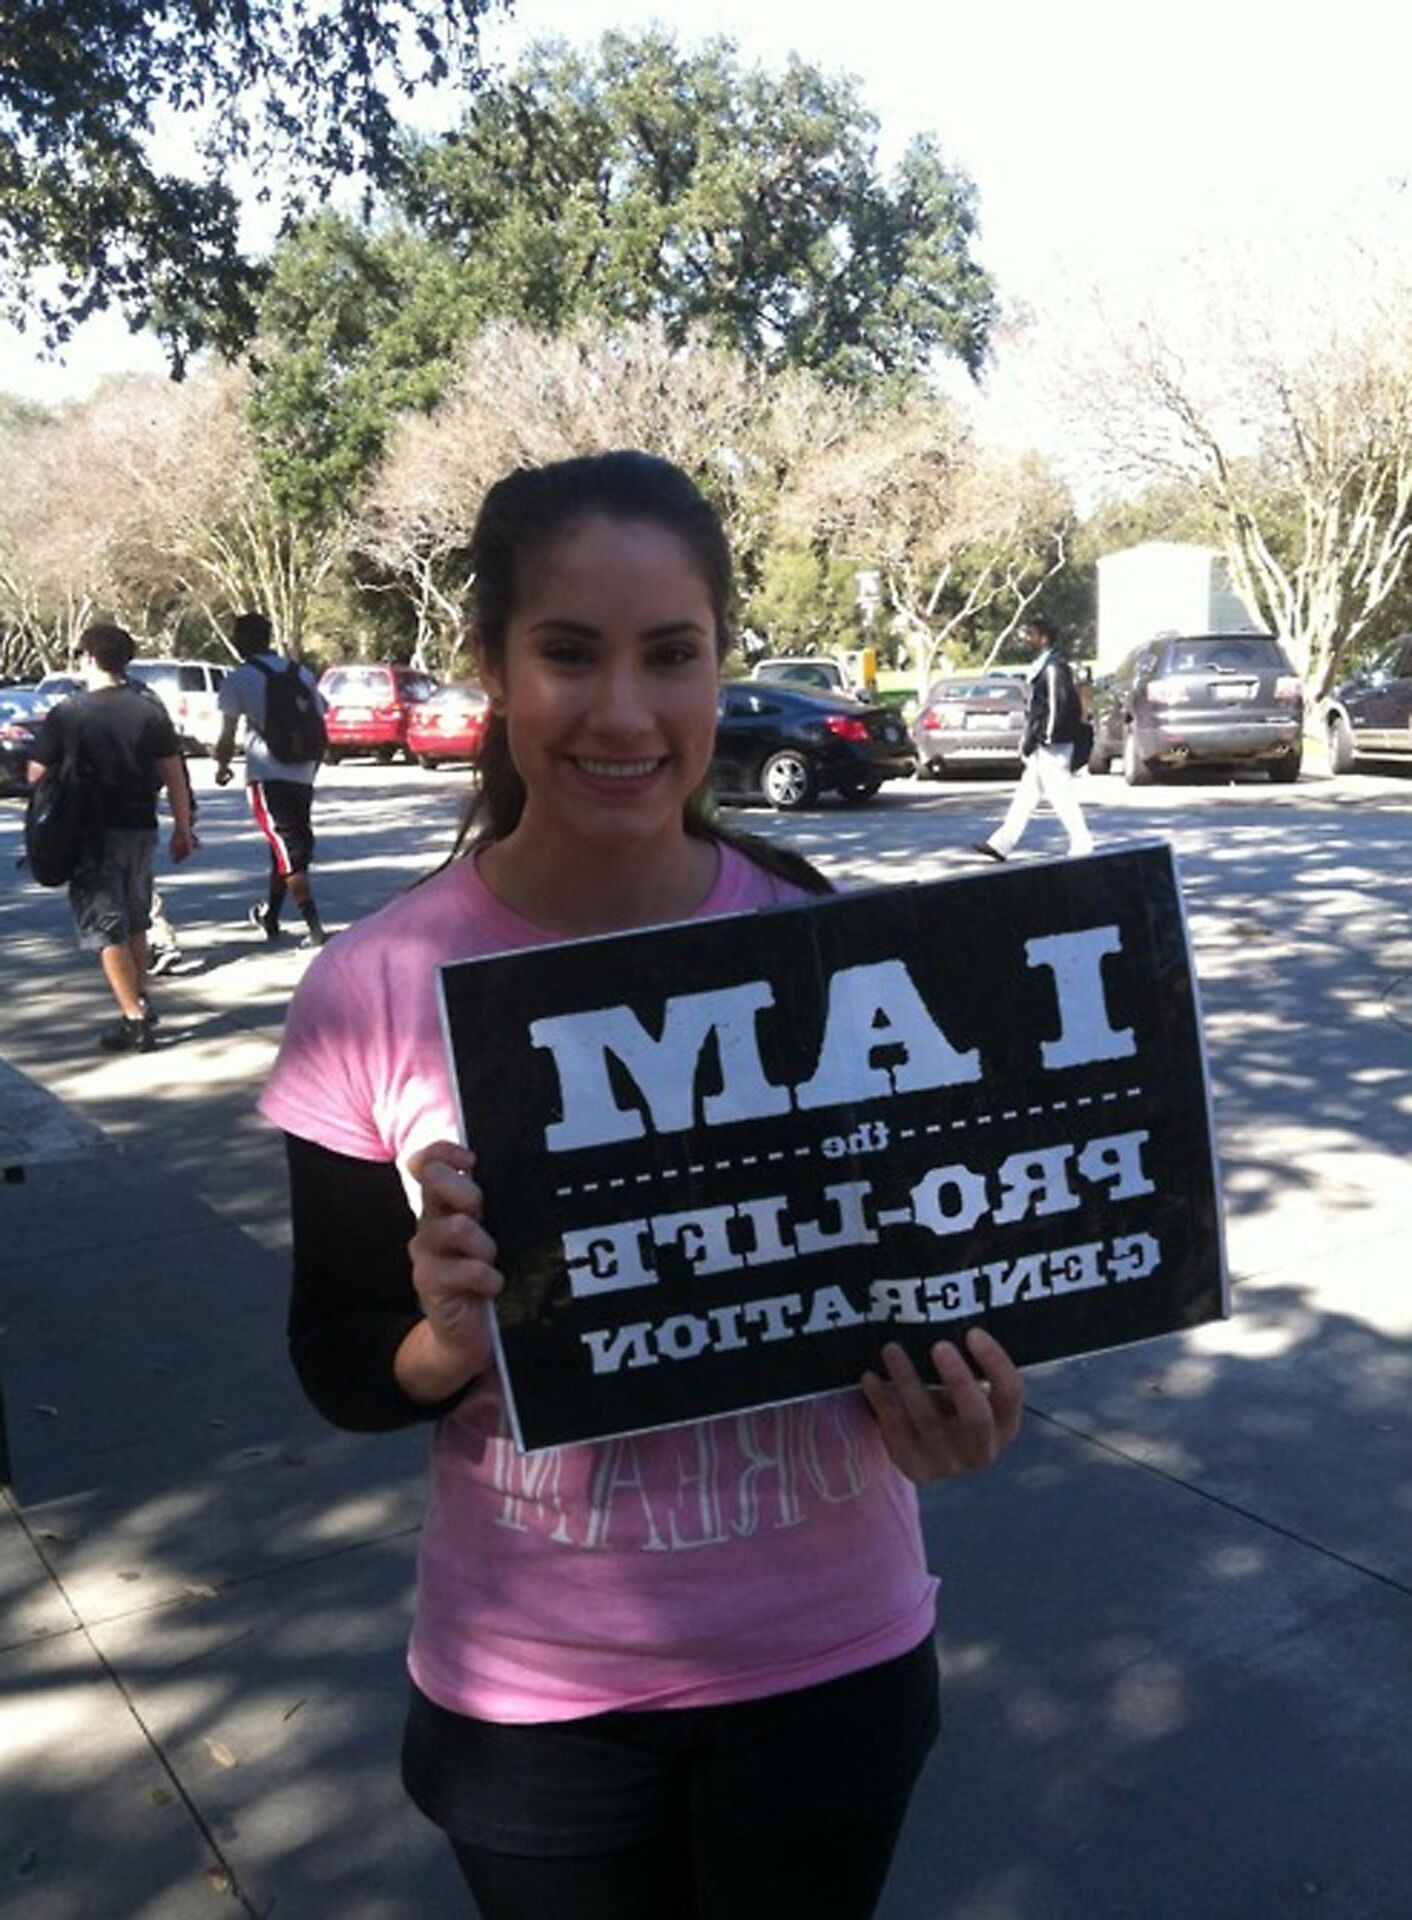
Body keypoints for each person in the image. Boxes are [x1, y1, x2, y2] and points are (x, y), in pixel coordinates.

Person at [259, 452, 1024, 1920]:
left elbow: (908, 1273)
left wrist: (961, 1402)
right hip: (536, 1710)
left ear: (720, 665)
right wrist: (446, 1335)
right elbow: (342, 1370)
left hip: (835, 1667)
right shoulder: (370, 988)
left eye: (671, 656)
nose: (624, 712)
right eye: (568, 653)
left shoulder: (820, 941)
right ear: (490, 665)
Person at [26, 623, 194, 1053]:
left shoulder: (69, 713)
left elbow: (36, 774)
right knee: (136, 920)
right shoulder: (149, 711)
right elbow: (173, 776)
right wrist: (183, 828)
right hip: (141, 829)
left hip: (92, 836)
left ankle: (134, 1020)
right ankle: (141, 1000)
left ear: (87, 658)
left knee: (106, 930)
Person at [213, 611, 328, 948]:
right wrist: (312, 769)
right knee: (284, 845)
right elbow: (320, 725)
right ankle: (271, 917)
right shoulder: (301, 673)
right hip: (303, 772)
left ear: (243, 641)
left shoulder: (240, 679)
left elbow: (227, 732)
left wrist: (221, 766)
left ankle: (314, 927)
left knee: (287, 849)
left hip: (267, 775)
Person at [973, 615, 1094, 862]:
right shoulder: (1044, 666)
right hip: (1044, 743)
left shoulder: (1053, 668)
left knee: (1061, 795)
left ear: (1044, 638)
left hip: (1053, 744)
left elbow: (1056, 707)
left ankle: (1082, 842)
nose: (1028, 639)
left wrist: (1046, 738)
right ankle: (1002, 843)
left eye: (1032, 634)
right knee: (1026, 795)